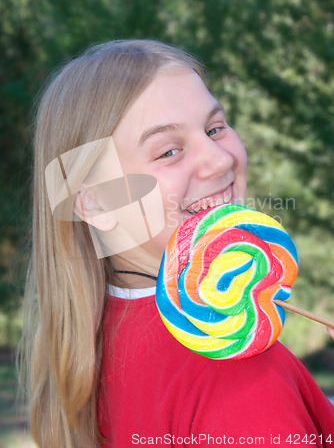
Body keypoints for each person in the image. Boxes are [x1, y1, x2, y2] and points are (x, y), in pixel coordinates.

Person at [21, 40, 334, 448]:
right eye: (168, 151)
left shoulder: (99, 338)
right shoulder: (231, 368)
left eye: (215, 128)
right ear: (96, 202)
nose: (220, 160)